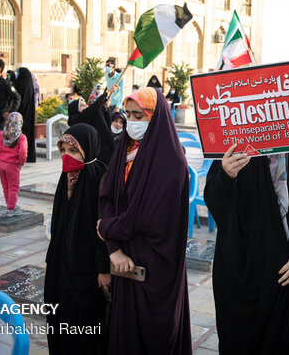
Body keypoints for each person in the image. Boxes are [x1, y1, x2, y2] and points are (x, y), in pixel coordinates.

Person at [203, 134, 289, 354]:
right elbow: (215, 201)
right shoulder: (237, 138)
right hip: (242, 269)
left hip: (287, 273)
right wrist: (226, 175)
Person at [96, 87, 192, 355]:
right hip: (125, 259)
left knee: (155, 336)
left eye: (139, 116)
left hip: (155, 265)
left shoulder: (171, 163)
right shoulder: (124, 151)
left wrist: (106, 228)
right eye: (128, 115)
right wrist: (113, 248)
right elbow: (106, 198)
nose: (132, 123)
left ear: (156, 116)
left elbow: (144, 217)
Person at [44, 124, 111, 355]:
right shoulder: (67, 177)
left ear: (88, 150)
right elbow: (60, 223)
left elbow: (103, 230)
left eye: (73, 151)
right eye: (63, 150)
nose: (66, 156)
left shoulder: (100, 178)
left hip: (88, 271)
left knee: (85, 327)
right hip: (61, 266)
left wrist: (103, 269)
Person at [68, 84, 118, 166]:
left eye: (85, 105)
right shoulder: (76, 119)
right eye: (81, 105)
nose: (85, 106)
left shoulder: (89, 115)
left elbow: (105, 124)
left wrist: (106, 108)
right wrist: (107, 93)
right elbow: (93, 108)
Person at [0, 112, 28, 214]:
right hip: (13, 165)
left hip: (1, 164)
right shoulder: (21, 137)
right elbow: (23, 152)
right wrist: (21, 162)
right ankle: (11, 208)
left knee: (5, 186)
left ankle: (9, 204)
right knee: (13, 187)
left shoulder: (1, 134)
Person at [14, 67, 37, 163]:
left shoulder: (21, 85)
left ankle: (20, 156)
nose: (16, 75)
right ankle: (27, 156)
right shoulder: (28, 85)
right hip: (28, 116)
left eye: (18, 73)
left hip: (22, 115)